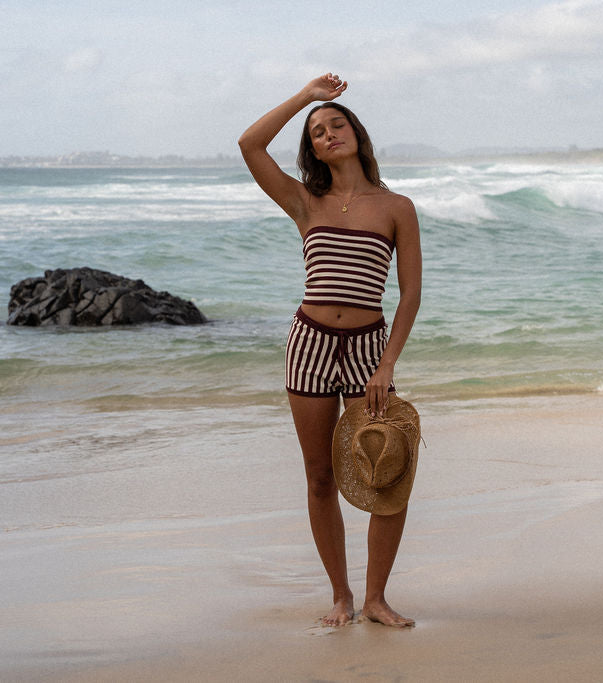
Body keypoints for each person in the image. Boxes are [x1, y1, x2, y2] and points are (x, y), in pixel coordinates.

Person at [238, 73, 422, 628]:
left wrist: (386, 364)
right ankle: (342, 596)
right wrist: (306, 98)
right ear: (313, 150)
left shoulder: (396, 207)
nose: (328, 134)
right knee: (320, 476)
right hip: (311, 345)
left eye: (336, 124)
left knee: (387, 472)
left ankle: (376, 599)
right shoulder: (304, 201)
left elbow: (411, 293)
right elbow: (250, 144)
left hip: (368, 348)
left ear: (357, 135)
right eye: (317, 133)